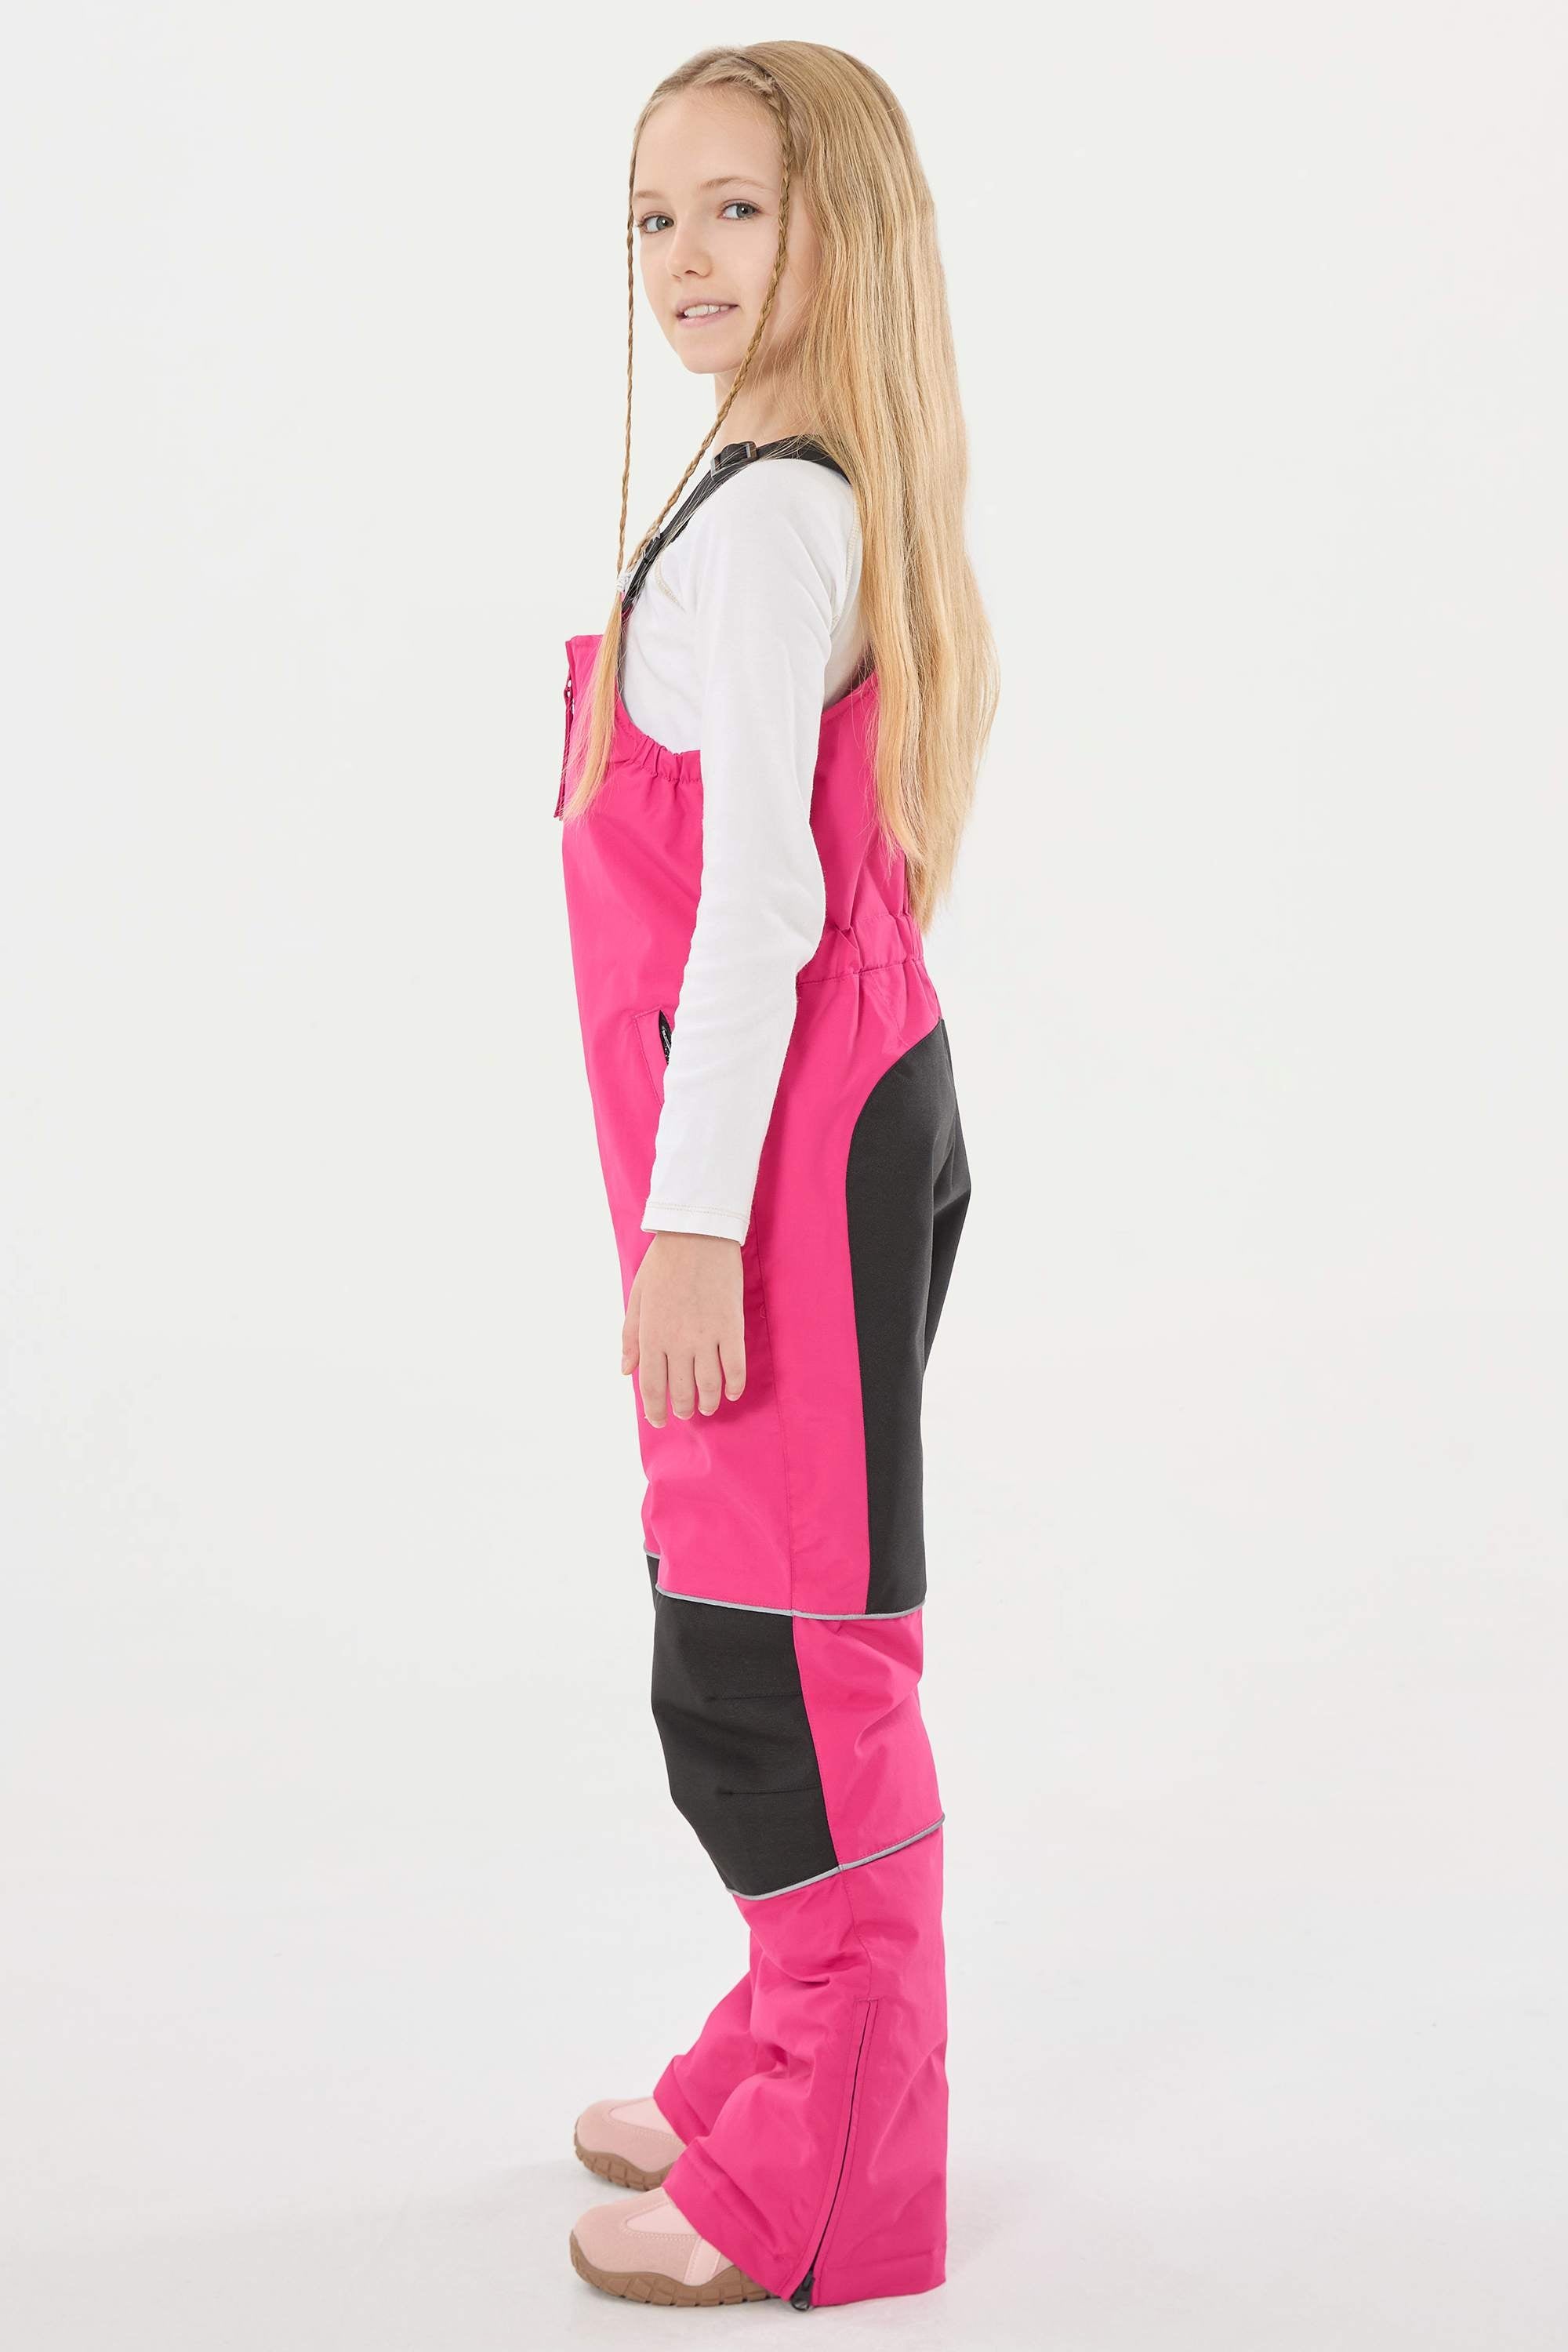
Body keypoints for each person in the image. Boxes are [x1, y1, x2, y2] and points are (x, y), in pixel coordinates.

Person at [554, 41, 998, 2312]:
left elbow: (760, 906)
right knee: (762, 1608)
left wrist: (694, 1221)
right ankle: (795, 2027)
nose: (686, 256)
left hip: (778, 1155)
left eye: (740, 207)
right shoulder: (770, 488)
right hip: (823, 1118)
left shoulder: (773, 521)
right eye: (657, 215)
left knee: (781, 1650)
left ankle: (841, 2139)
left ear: (847, 230)